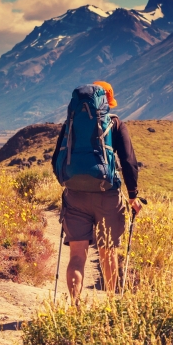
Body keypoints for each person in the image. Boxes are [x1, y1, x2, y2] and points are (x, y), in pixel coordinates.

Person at [51, 81, 140, 304]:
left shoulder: (71, 123)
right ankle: (110, 304)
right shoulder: (115, 124)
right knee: (107, 253)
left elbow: (56, 160)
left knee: (77, 255)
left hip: (75, 195)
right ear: (107, 102)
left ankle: (75, 308)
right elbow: (129, 162)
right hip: (107, 195)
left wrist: (70, 184)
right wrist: (133, 195)